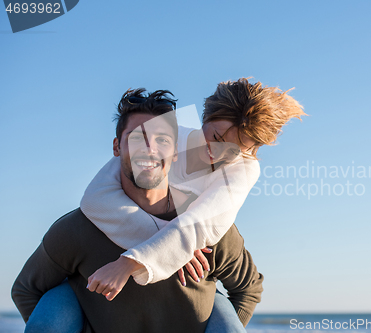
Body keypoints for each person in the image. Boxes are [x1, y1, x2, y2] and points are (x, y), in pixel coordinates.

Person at [12, 89, 264, 333]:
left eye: (162, 140)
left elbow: (248, 289)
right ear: (116, 147)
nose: (149, 148)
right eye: (136, 137)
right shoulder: (79, 228)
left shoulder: (209, 228)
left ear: (176, 152)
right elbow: (25, 289)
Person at [81, 78, 306, 296]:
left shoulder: (245, 168)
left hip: (228, 261)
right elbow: (97, 197)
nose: (218, 151)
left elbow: (200, 225)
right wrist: (172, 249)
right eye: (216, 136)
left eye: (234, 149)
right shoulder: (168, 136)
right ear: (205, 117)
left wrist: (128, 263)